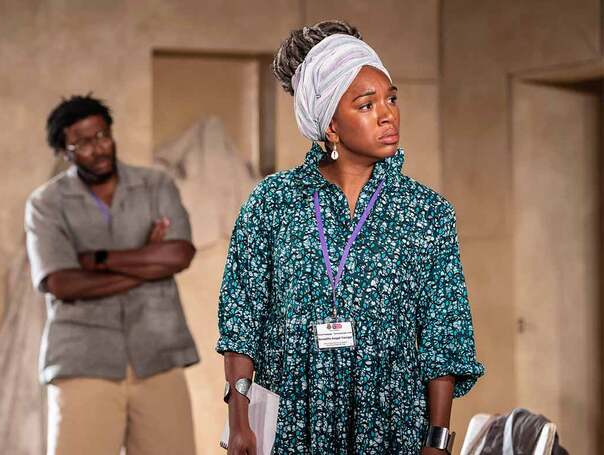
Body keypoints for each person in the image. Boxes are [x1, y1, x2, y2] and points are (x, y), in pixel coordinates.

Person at [217, 21, 484, 454]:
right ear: (331, 126)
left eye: (392, 99)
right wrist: (239, 421)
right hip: (294, 419)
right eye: (366, 104)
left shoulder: (427, 211)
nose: (388, 114)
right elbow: (241, 320)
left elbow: (445, 335)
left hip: (393, 422)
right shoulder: (273, 202)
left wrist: (437, 440)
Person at [25, 94, 199, 455]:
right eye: (84, 142)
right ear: (65, 151)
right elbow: (61, 282)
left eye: (102, 135)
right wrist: (149, 264)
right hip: (83, 359)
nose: (99, 148)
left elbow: (180, 253)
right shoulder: (46, 204)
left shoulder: (156, 185)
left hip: (159, 354)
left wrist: (99, 259)